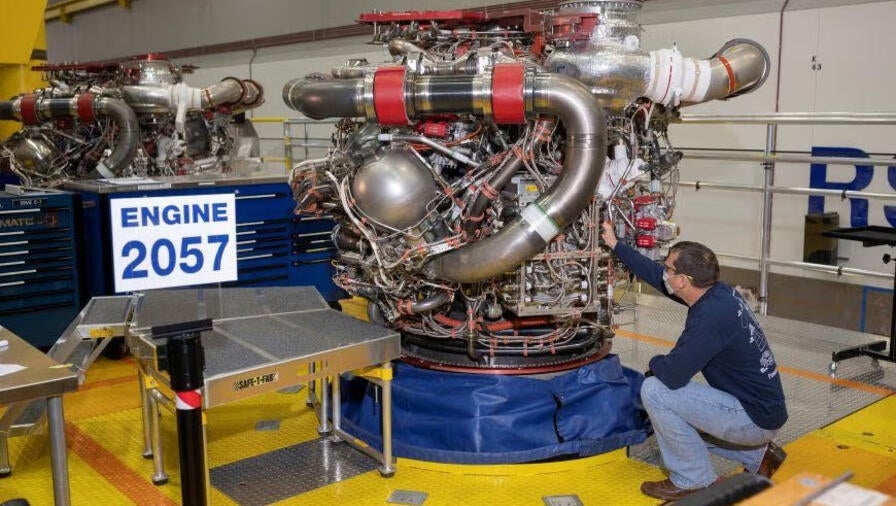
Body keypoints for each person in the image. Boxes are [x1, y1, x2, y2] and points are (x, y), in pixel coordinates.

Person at [600, 221, 788, 501]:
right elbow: (655, 276)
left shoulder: (708, 319)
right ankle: (758, 455)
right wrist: (616, 245)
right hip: (763, 409)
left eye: (669, 269)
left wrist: (653, 365)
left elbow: (673, 375)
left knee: (655, 392)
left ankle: (693, 480)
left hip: (753, 420)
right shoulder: (718, 294)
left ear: (683, 281)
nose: (664, 272)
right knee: (673, 421)